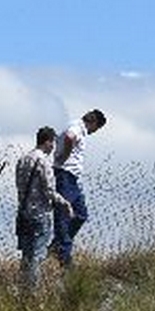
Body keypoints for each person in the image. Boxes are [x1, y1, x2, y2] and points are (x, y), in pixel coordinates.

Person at [49, 108, 107, 267]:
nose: (94, 132)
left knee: (81, 214)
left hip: (71, 179)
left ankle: (56, 245)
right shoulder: (77, 127)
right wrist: (65, 156)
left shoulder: (75, 126)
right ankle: (64, 256)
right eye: (97, 128)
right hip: (65, 175)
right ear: (93, 123)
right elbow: (69, 137)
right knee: (63, 215)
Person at [12, 127, 59, 296]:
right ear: (48, 141)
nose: (53, 147)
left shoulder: (22, 160)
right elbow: (49, 190)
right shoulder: (43, 161)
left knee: (26, 255)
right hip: (40, 213)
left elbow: (19, 187)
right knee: (37, 255)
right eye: (53, 142)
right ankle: (32, 293)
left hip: (23, 213)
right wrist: (65, 203)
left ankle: (22, 290)